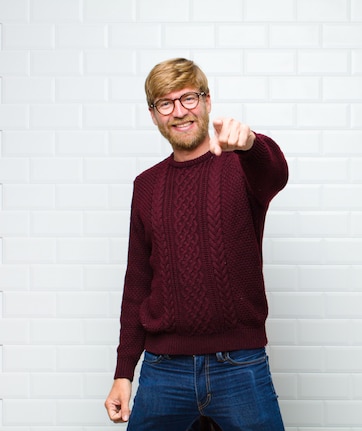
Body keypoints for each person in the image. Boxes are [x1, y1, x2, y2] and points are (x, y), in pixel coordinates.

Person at [104, 58, 288, 431]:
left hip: (239, 364)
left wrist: (252, 144)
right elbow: (137, 283)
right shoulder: (146, 186)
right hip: (163, 369)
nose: (179, 111)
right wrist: (124, 372)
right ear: (154, 115)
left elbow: (276, 173)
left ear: (207, 101)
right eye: (165, 103)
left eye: (188, 98)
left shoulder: (242, 165)